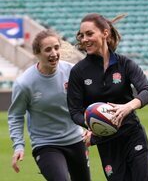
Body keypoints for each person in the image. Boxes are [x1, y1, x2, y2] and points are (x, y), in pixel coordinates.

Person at [67, 13, 148, 181]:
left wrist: (128, 106)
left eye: (89, 33)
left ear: (105, 33)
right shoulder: (78, 72)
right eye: (82, 35)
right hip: (104, 140)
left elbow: (147, 90)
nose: (84, 39)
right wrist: (94, 121)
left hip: (132, 134)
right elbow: (74, 111)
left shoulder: (124, 64)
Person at [8, 29, 91, 181]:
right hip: (46, 145)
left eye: (56, 47)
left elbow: (86, 102)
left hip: (76, 141)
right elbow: (15, 115)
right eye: (48, 49)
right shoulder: (25, 83)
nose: (53, 53)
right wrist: (18, 146)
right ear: (37, 53)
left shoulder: (72, 72)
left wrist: (90, 127)